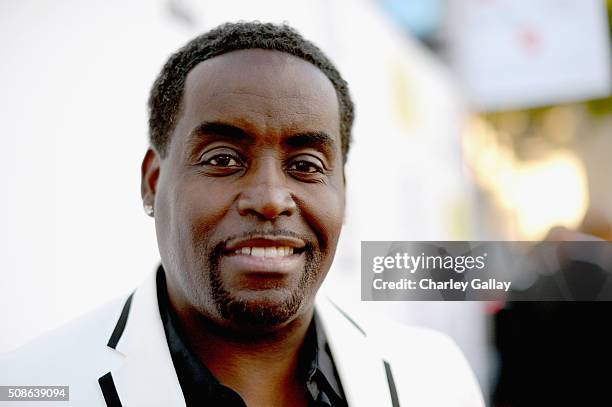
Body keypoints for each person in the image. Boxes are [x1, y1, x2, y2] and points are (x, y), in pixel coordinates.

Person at [0, 22, 484, 407]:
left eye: (306, 166)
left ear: (343, 190)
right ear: (153, 182)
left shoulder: (434, 377)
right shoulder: (30, 389)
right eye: (222, 159)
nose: (271, 198)